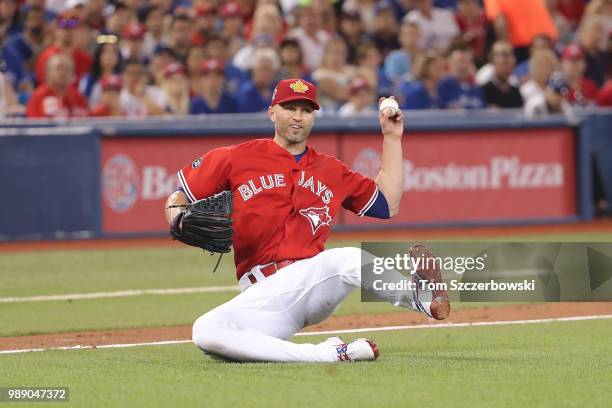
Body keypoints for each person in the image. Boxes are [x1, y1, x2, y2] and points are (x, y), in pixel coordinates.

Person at [164, 78, 450, 363]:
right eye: (290, 107)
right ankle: (329, 353)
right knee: (206, 332)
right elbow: (178, 197)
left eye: (306, 109)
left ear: (314, 116)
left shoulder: (330, 169)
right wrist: (176, 218)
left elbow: (388, 203)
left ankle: (422, 298)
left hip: (313, 280)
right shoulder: (236, 157)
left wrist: (392, 138)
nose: (298, 116)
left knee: (346, 259)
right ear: (272, 112)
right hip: (262, 297)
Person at [35, 12, 92, 86]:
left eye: (72, 28)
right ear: (56, 31)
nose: (68, 32)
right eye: (64, 28)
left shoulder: (85, 58)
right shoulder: (47, 56)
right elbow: (44, 85)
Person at [27, 53, 89, 118]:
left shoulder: (78, 97)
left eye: (67, 69)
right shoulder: (38, 97)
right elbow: (34, 125)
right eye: (59, 68)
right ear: (48, 72)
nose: (63, 72)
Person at [438, 40, 485, 109]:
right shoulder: (443, 85)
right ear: (450, 63)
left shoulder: (475, 88)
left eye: (465, 61)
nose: (462, 65)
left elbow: (483, 109)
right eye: (459, 61)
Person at [79, 34, 122, 107]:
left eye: (113, 52)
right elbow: (83, 102)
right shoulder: (89, 80)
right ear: (98, 55)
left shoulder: (122, 78)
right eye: (105, 52)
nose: (109, 56)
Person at [480, 41, 523, 108]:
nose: (508, 60)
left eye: (511, 55)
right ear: (492, 60)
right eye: (504, 55)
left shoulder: (516, 92)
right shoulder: (484, 90)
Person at [236, 48, 280, 113]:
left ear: (274, 72)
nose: (265, 73)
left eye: (268, 69)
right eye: (262, 69)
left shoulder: (279, 91)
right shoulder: (246, 92)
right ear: (254, 71)